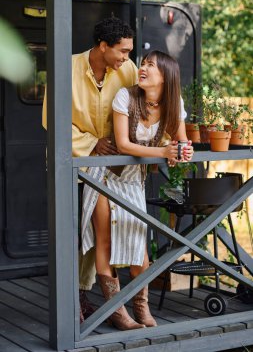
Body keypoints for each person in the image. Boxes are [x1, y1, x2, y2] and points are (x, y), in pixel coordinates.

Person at [81, 50, 194, 331]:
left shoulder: (174, 103)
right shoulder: (126, 97)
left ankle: (141, 307)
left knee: (138, 249)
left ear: (165, 76)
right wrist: (163, 150)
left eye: (150, 65)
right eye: (142, 63)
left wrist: (183, 150)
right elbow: (123, 145)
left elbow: (181, 141)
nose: (142, 68)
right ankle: (117, 312)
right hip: (104, 174)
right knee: (105, 243)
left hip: (133, 178)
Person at [42, 17, 138, 323]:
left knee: (104, 233)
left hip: (112, 169)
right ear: (102, 46)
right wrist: (92, 142)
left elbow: (143, 106)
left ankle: (95, 300)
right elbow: (51, 119)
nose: (127, 57)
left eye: (129, 52)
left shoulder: (129, 70)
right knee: (72, 233)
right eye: (122, 51)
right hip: (70, 163)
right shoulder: (65, 67)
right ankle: (73, 301)